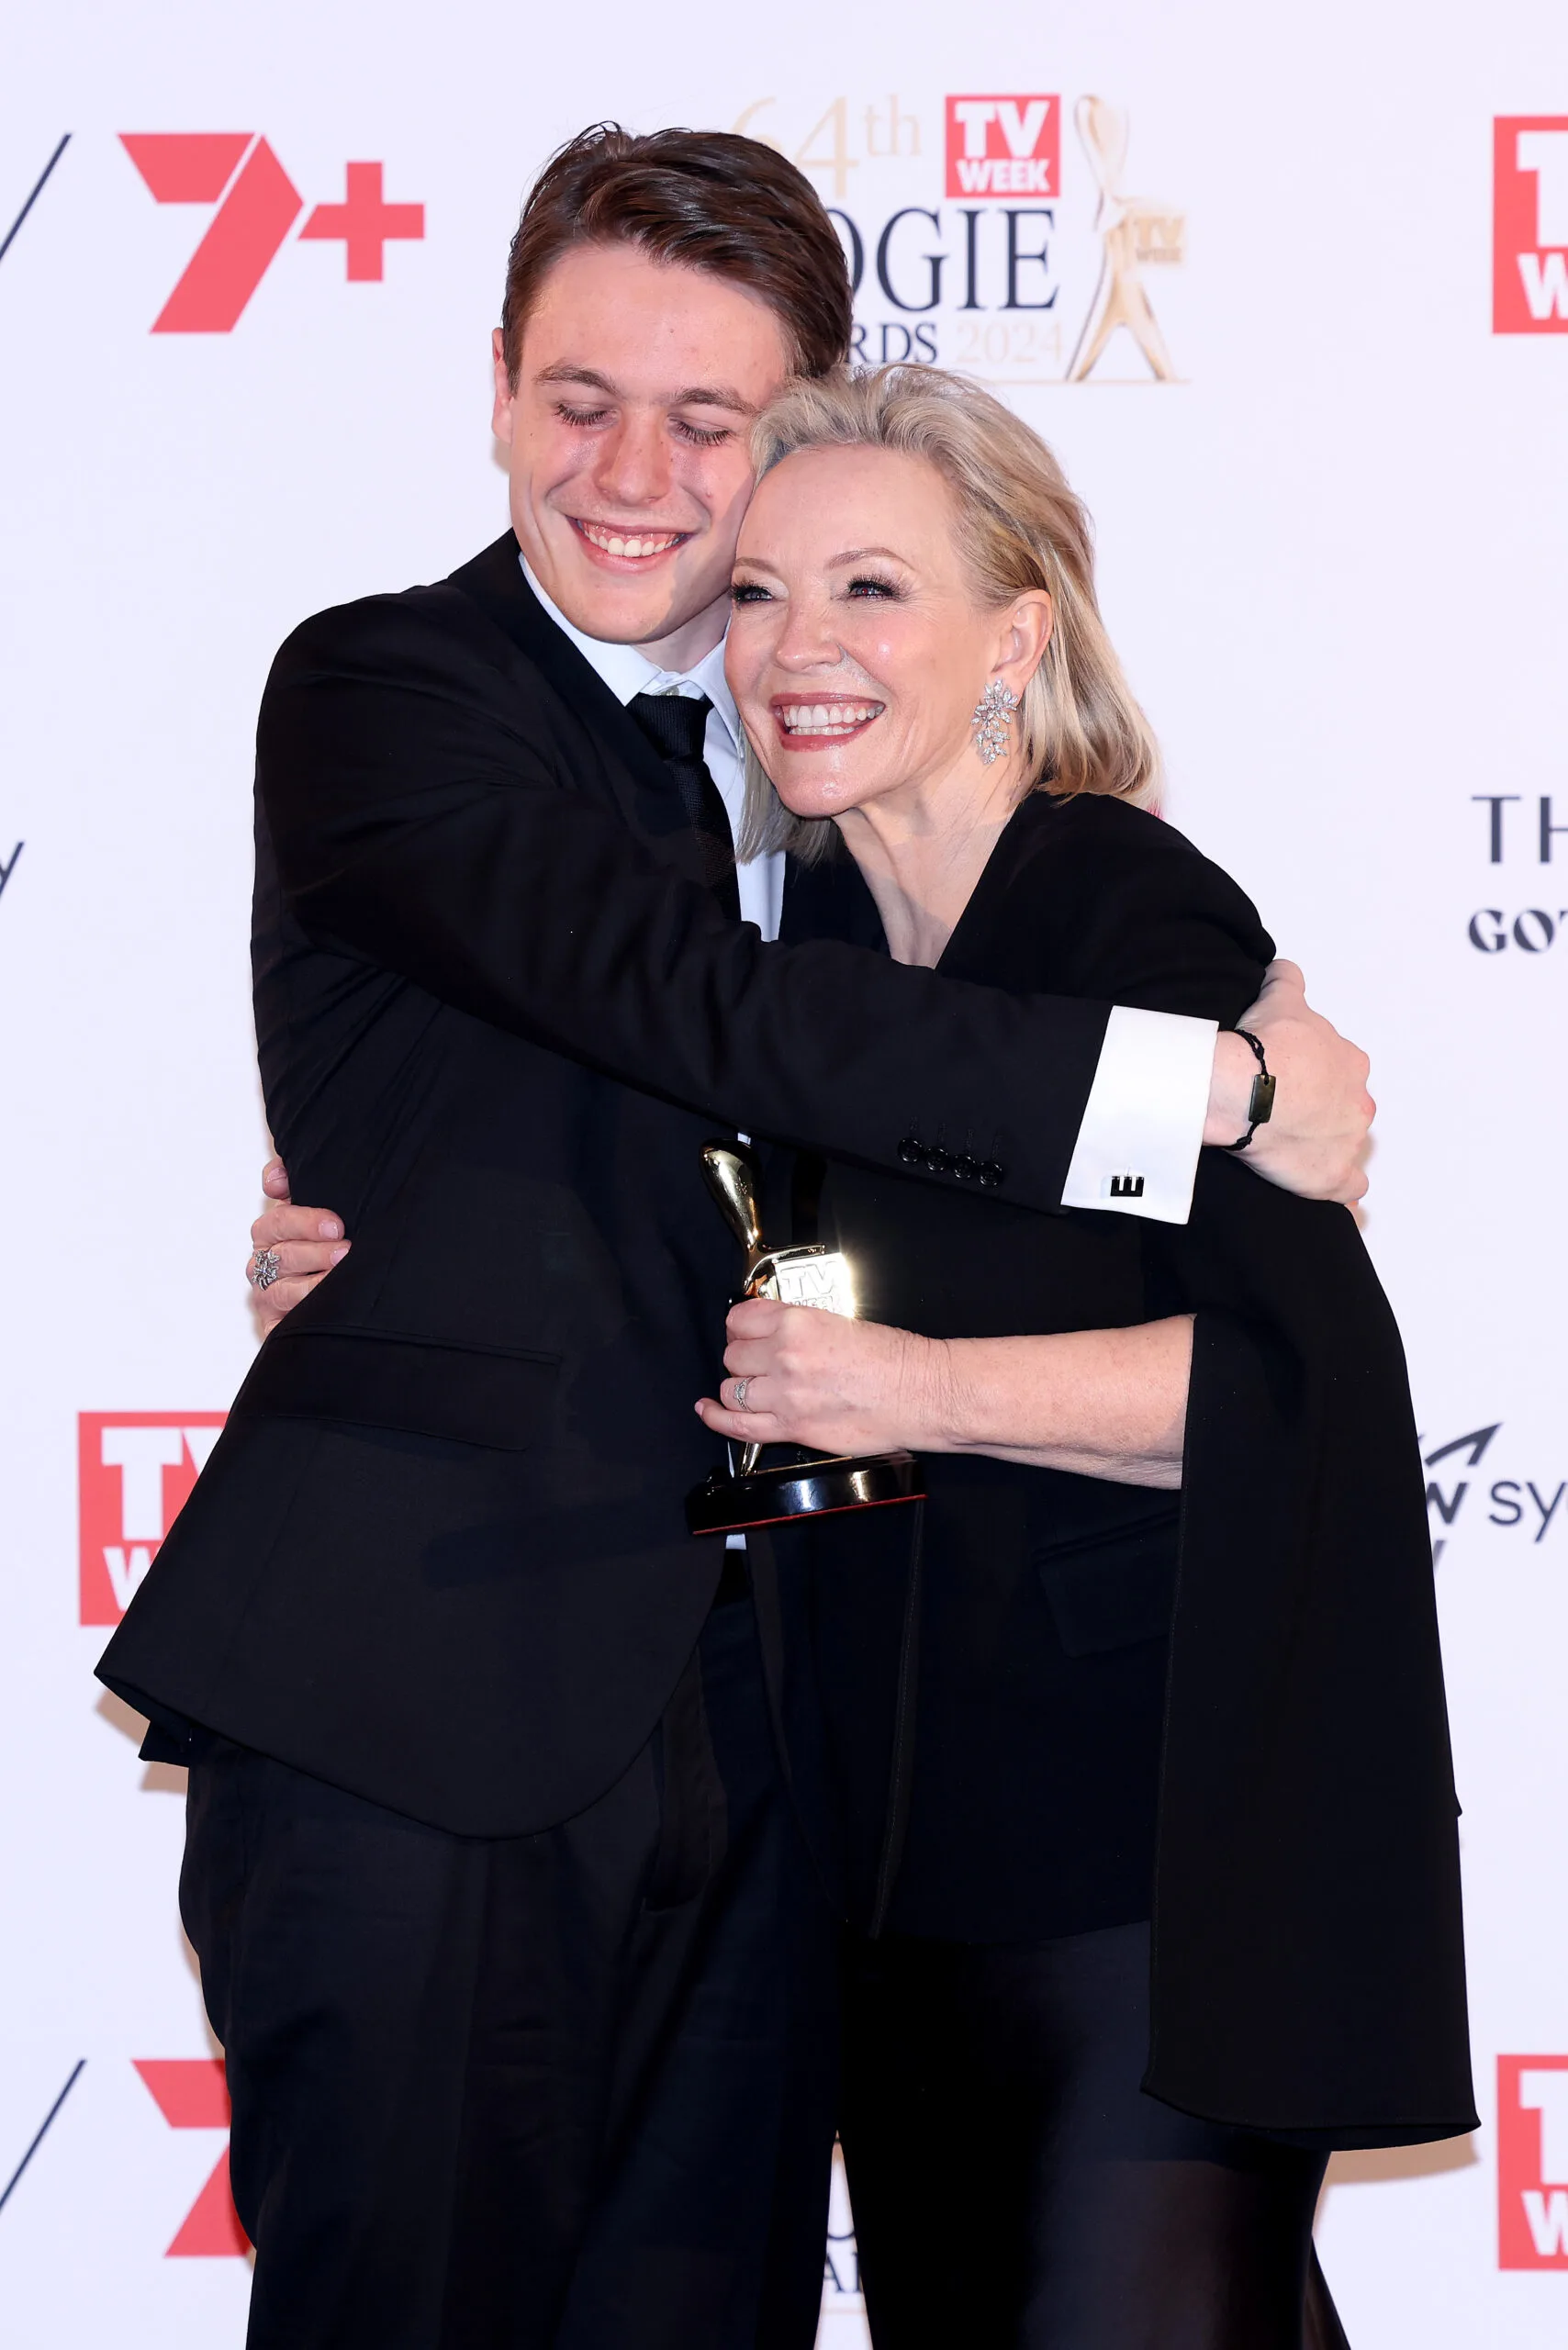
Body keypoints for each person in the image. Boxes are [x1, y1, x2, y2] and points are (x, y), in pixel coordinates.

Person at [101, 124, 1373, 2350]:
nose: (631, 469)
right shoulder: (391, 694)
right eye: (577, 397)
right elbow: (691, 1011)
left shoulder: (836, 791)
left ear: (789, 436)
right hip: (425, 1707)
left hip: (795, 1782)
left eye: (707, 421)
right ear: (494, 384)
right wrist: (1205, 1087)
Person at [678, 364, 1473, 2346]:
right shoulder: (787, 971)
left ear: (1009, 638)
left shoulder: (1123, 911)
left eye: (869, 590)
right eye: (759, 596)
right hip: (875, 1875)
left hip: (1141, 1873)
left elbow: (1295, 1387)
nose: (798, 651)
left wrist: (925, 1391)